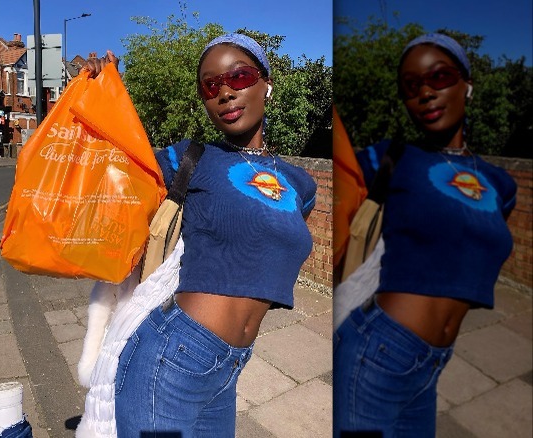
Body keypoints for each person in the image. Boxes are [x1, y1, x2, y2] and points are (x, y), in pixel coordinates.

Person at [80, 33, 317, 437]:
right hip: (172, 354)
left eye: (239, 77)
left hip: (231, 365)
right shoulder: (191, 157)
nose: (225, 92)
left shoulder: (300, 184)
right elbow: (111, 167)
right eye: (211, 85)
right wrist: (99, 93)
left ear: (266, 84)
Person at [333, 33, 517, 437]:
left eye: (440, 77)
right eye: (412, 86)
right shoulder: (390, 158)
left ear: (466, 84)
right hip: (377, 349)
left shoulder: (500, 184)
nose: (426, 92)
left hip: (433, 362)